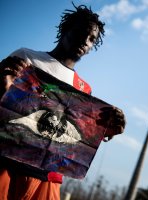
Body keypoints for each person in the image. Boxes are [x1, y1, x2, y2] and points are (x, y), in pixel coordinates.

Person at [0, 3, 126, 200]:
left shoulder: (84, 89)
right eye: (82, 32)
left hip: (46, 177)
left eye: (92, 38)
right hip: (6, 161)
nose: (85, 40)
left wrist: (107, 129)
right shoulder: (26, 57)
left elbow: (75, 136)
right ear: (66, 29)